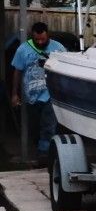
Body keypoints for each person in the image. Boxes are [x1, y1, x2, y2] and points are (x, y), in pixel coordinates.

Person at [11, 22, 65, 164]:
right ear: (32, 36)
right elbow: (17, 71)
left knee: (48, 124)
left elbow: (66, 69)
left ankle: (44, 155)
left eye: (43, 39)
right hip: (32, 95)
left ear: (48, 35)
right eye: (37, 40)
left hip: (51, 93)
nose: (40, 42)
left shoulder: (58, 48)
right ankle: (41, 149)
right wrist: (14, 94)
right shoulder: (23, 49)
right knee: (35, 126)